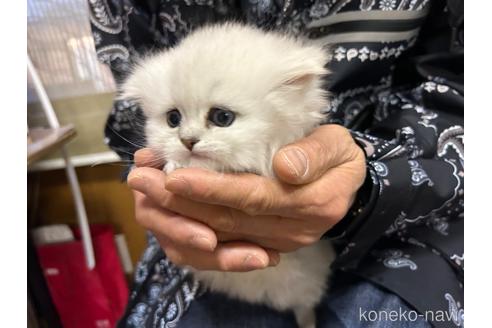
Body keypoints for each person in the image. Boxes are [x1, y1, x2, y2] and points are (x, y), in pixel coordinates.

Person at [88, 0, 463, 327]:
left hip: (422, 213)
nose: (188, 136)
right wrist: (154, 192)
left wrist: (373, 177)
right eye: (173, 119)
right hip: (198, 248)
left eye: (220, 117)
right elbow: (132, 104)